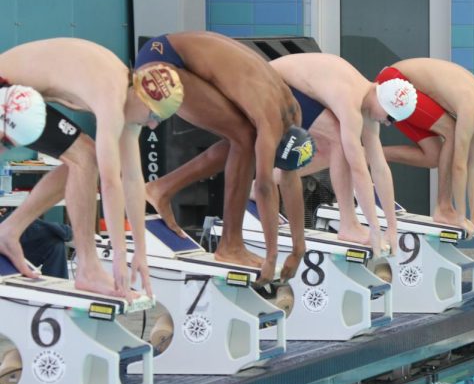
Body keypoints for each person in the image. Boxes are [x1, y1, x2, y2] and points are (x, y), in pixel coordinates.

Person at [0, 39, 182, 299]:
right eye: (155, 116)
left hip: (15, 93)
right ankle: (87, 268)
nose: (153, 126)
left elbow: (132, 179)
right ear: (141, 97)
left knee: (84, 157)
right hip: (5, 88)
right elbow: (110, 183)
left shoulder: (129, 93)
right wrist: (118, 255)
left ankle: (9, 231)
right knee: (86, 157)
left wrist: (140, 251)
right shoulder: (112, 93)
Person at [136, 32, 313, 284]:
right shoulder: (269, 119)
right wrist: (272, 256)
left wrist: (298, 248)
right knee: (244, 138)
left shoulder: (293, 116)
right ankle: (230, 245)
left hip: (176, 57)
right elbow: (264, 186)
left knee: (243, 136)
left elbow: (289, 179)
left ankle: (160, 188)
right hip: (161, 65)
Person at [269, 53, 417, 255]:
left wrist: (392, 227)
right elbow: (358, 169)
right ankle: (348, 224)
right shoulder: (351, 100)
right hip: (268, 82)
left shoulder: (368, 103)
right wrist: (374, 228)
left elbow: (379, 167)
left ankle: (265, 181)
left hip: (284, 84)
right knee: (339, 141)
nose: (389, 123)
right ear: (382, 101)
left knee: (331, 151)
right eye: (390, 117)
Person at [377, 58, 474, 237]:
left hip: (399, 85)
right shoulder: (470, 105)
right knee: (450, 130)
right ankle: (443, 207)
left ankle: (368, 155)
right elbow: (459, 165)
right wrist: (460, 216)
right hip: (394, 81)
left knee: (433, 156)